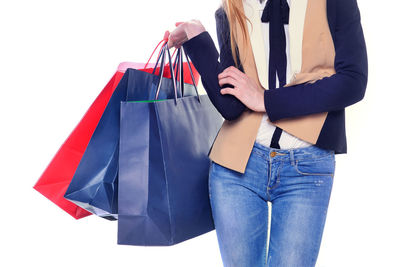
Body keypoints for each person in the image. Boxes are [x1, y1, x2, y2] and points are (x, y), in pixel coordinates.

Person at [166, 0, 367, 266]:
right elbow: (231, 105)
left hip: (306, 167)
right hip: (237, 166)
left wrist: (267, 100)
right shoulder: (232, 7)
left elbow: (353, 82)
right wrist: (198, 40)